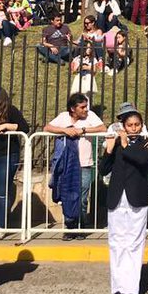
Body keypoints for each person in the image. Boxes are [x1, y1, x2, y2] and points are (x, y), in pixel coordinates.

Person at [99, 109, 148, 294]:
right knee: (116, 243)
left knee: (134, 243)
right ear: (123, 126)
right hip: (117, 198)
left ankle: (132, 289)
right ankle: (118, 289)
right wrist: (108, 149)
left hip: (136, 199)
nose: (133, 128)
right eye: (130, 125)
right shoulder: (116, 145)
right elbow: (103, 169)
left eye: (137, 125)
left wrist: (124, 144)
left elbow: (141, 160)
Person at [44, 93, 107, 229]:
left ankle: (81, 226)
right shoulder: (63, 116)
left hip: (84, 163)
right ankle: (71, 226)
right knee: (67, 195)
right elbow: (47, 128)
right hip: (66, 163)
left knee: (82, 198)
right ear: (73, 109)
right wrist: (65, 130)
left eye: (86, 106)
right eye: (82, 107)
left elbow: (102, 128)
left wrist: (83, 130)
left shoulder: (90, 116)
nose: (85, 109)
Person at [0, 86, 29, 234]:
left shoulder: (11, 110)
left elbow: (24, 127)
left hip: (7, 154)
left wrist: (5, 126)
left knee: (2, 191)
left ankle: (0, 225)